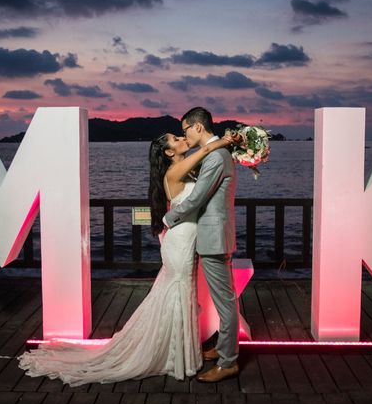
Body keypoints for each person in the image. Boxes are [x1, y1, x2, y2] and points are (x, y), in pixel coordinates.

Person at [17, 131, 235, 386]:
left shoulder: (184, 171)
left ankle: (181, 352)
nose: (180, 139)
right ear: (168, 153)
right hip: (180, 241)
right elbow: (206, 152)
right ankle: (176, 356)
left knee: (181, 293)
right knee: (177, 291)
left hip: (185, 238)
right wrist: (226, 141)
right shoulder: (174, 173)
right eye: (176, 139)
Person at [163, 107, 239, 383]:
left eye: (185, 130)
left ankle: (229, 361)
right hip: (213, 235)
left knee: (225, 302)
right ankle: (223, 350)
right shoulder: (217, 153)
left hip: (214, 238)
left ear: (197, 127)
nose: (184, 135)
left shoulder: (215, 156)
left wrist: (168, 217)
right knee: (225, 299)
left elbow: (195, 200)